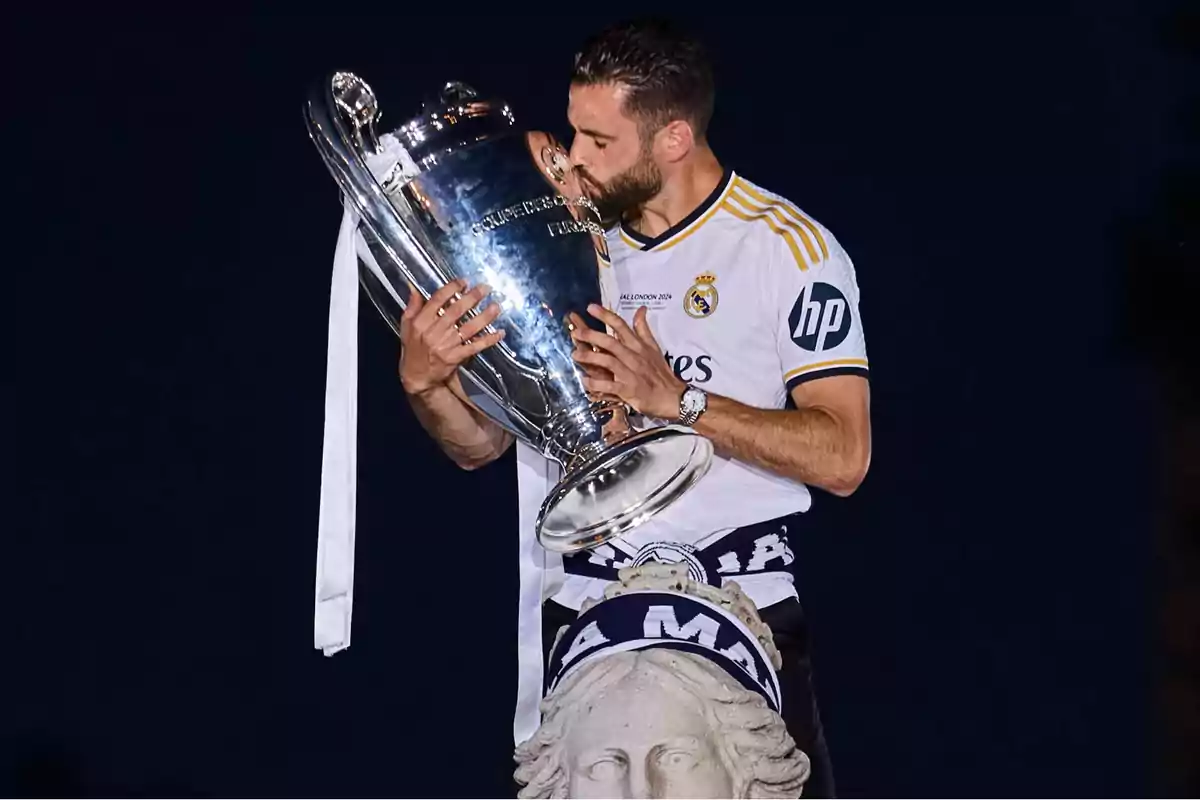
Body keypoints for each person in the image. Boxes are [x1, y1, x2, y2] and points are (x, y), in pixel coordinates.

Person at [397, 17, 870, 798]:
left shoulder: (785, 249)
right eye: (575, 130)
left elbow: (845, 457)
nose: (573, 158)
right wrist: (430, 385)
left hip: (744, 610)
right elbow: (477, 445)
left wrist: (676, 399)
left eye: (600, 141)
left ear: (674, 139)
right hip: (587, 615)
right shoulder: (559, 240)